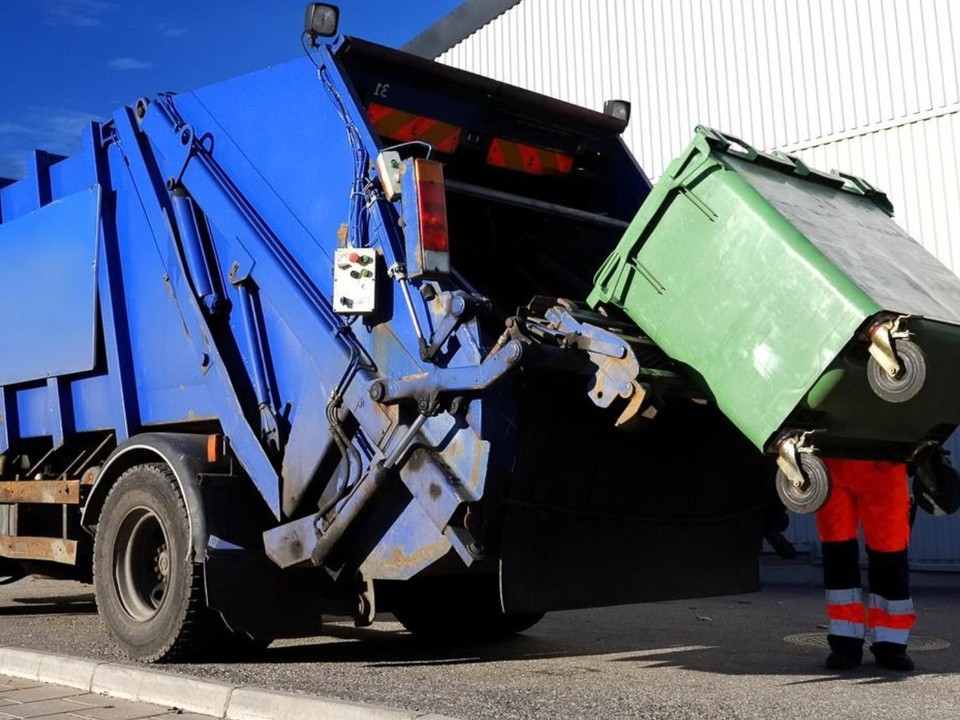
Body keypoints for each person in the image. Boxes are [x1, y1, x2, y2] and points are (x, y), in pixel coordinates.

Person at [816, 458, 915, 671]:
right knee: (837, 552)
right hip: (833, 466)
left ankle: (891, 645)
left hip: (884, 466)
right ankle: (845, 642)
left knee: (890, 553)